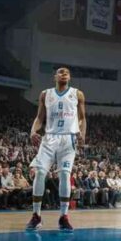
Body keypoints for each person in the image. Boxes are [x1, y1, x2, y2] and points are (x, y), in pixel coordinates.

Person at [26, 67, 87, 232]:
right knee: (40, 172)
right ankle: (36, 216)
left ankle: (63, 217)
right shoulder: (45, 94)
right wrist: (33, 131)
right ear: (55, 77)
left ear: (70, 77)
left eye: (67, 72)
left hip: (69, 138)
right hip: (50, 137)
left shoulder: (77, 94)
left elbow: (82, 118)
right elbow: (40, 117)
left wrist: (82, 134)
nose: (64, 73)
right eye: (60, 71)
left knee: (65, 175)